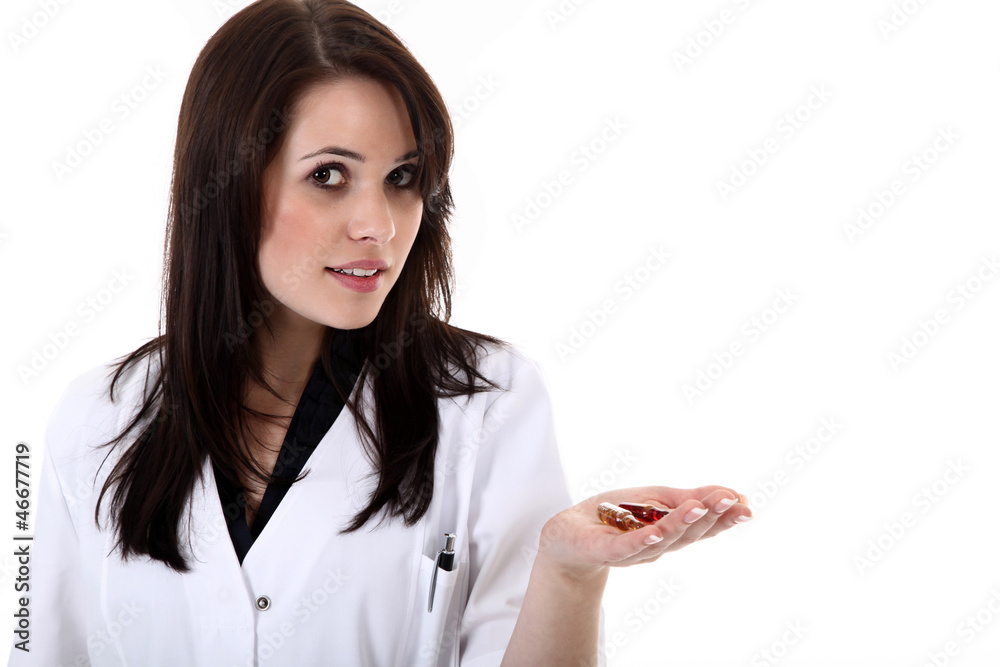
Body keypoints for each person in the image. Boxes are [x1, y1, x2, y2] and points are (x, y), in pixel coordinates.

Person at [8, 1, 752, 665]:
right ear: (228, 182)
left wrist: (568, 571)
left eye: (401, 178)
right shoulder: (98, 417)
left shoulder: (490, 402)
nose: (381, 226)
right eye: (329, 176)